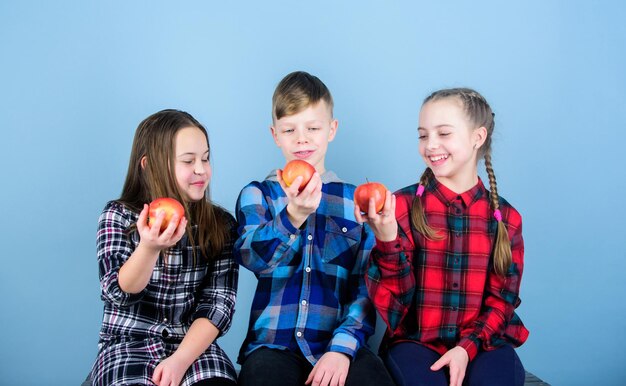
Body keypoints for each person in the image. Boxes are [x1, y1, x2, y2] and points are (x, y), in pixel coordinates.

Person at [357, 88, 529, 386]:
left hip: (484, 343)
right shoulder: (401, 206)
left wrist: (467, 346)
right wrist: (387, 239)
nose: (431, 145)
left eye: (444, 133)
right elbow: (398, 304)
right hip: (416, 342)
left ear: (478, 137)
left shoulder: (507, 219)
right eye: (423, 135)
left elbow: (503, 300)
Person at [234, 71, 394, 386]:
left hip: (337, 342)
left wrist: (342, 347)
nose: (301, 138)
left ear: (331, 130)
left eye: (313, 128)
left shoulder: (354, 200)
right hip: (273, 345)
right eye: (289, 129)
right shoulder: (258, 194)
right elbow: (252, 258)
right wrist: (291, 216)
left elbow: (366, 284)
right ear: (274, 134)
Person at [89, 109, 239, 386]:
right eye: (188, 161)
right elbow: (117, 292)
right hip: (127, 343)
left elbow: (218, 306)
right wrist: (148, 248)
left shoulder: (221, 224)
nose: (201, 170)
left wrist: (180, 360)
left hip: (193, 346)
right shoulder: (118, 216)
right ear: (149, 165)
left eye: (205, 158)